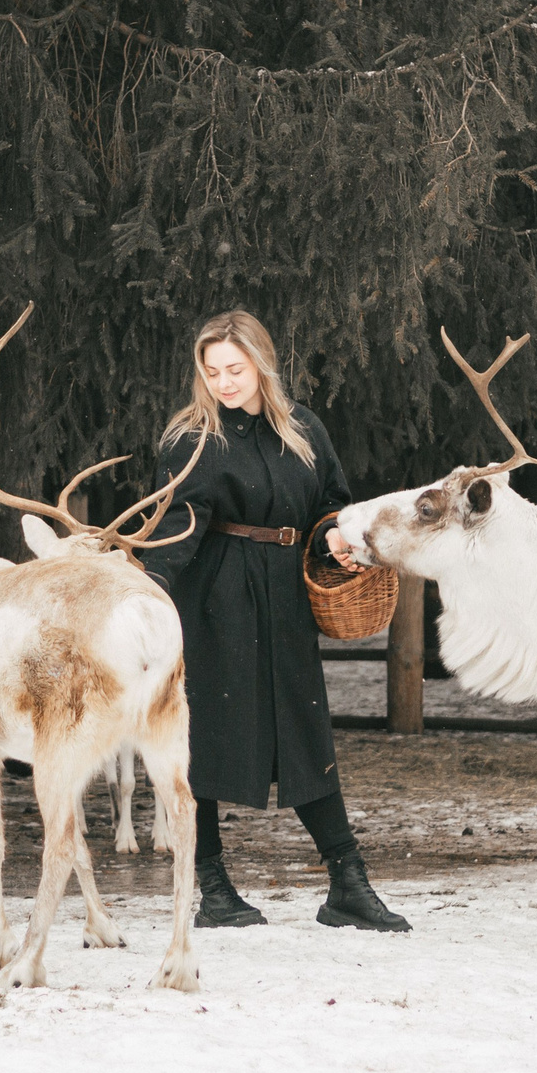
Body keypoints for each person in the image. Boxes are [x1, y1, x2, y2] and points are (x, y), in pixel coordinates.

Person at [141, 309, 409, 932]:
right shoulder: (191, 439)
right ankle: (210, 888)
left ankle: (348, 884)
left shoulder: (304, 429)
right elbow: (174, 528)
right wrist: (152, 590)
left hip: (286, 596)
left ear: (261, 364)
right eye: (212, 372)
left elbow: (330, 507)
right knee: (201, 738)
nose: (224, 383)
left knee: (304, 730)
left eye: (234, 369)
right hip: (213, 599)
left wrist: (333, 542)